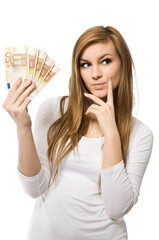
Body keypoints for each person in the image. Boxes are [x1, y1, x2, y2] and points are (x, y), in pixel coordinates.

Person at [3, 26, 153, 240]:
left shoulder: (141, 133)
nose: (95, 74)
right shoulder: (53, 110)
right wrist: (23, 127)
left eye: (106, 61)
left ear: (123, 63)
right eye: (85, 64)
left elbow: (116, 208)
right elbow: (34, 189)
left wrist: (111, 133)